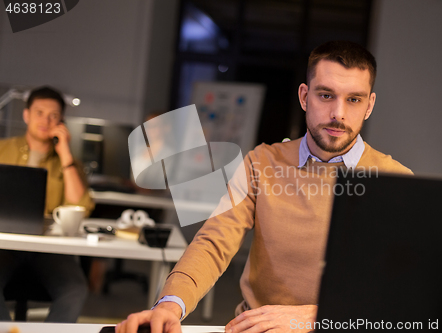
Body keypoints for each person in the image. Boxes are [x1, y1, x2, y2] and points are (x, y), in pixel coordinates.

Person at [116, 41, 413, 333]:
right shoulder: (261, 162)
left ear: (369, 105)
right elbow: (214, 242)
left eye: (354, 99)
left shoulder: (396, 180)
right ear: (304, 96)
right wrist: (169, 305)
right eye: (326, 95)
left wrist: (319, 316)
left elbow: (404, 287)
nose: (339, 113)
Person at [0, 86, 95, 322]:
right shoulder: (3, 149)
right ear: (26, 115)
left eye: (53, 115)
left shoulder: (70, 162)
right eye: (39, 112)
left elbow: (81, 206)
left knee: (75, 289)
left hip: (50, 249)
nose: (45, 120)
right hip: (5, 243)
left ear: (61, 120)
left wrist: (64, 154)